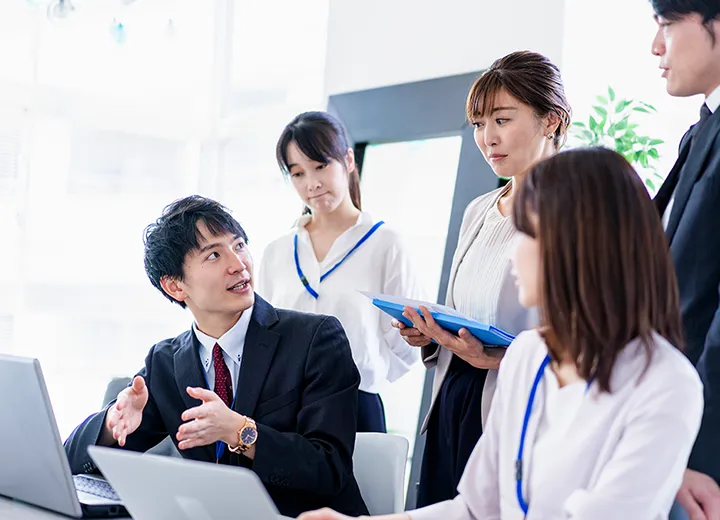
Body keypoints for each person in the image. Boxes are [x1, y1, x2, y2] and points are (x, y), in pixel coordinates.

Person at [296, 147, 704, 520]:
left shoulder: (666, 384)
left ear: (580, 246)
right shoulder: (529, 354)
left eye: (527, 235)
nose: (512, 255)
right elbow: (476, 509)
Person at [63, 195, 368, 518]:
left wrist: (239, 430)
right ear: (175, 286)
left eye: (239, 245)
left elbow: (329, 469)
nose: (238, 264)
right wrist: (112, 422)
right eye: (213, 255)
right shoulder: (166, 362)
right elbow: (69, 461)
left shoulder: (315, 339)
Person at [392, 50, 571, 506]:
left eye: (502, 120)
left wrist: (497, 359)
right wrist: (431, 333)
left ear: (551, 120)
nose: (487, 137)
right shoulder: (479, 211)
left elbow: (587, 339)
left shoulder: (574, 210)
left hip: (515, 405)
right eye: (478, 123)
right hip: (454, 398)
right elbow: (465, 308)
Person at [257, 111, 425, 433]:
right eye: (298, 173)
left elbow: (407, 344)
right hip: (285, 414)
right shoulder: (277, 252)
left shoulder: (385, 243)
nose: (312, 184)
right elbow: (262, 338)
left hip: (356, 408)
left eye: (320, 166)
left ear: (348, 160)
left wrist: (363, 372)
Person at [650, 2, 720, 518]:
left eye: (667, 26)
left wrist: (699, 451)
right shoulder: (701, 132)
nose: (656, 47)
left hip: (701, 450)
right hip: (668, 426)